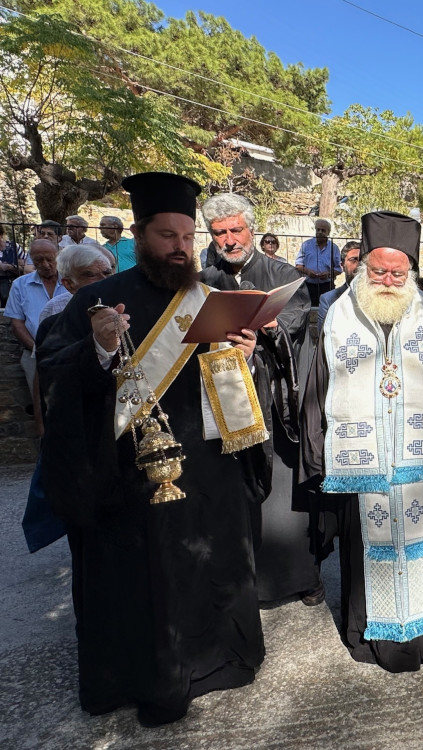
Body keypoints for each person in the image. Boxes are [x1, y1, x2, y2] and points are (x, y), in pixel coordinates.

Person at [36, 172, 269, 726]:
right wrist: (98, 346)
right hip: (127, 476)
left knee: (206, 565)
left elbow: (231, 387)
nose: (180, 248)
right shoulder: (96, 301)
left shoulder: (209, 297)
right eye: (167, 236)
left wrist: (245, 351)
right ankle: (140, 677)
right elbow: (54, 378)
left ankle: (216, 661)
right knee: (138, 582)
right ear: (138, 235)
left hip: (208, 468)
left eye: (188, 238)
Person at [297, 210, 423, 672]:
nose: (389, 280)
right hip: (365, 461)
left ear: (411, 272)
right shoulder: (337, 316)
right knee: (369, 551)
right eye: (379, 270)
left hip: (422, 458)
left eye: (399, 273)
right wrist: (317, 455)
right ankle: (373, 642)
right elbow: (317, 387)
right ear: (362, 267)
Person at [199, 192, 321, 606]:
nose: (229, 240)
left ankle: (298, 579)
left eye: (236, 230)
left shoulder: (282, 274)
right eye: (220, 233)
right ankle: (243, 579)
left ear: (250, 228)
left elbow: (296, 322)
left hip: (274, 401)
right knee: (231, 494)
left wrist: (268, 333)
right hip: (221, 402)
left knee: (283, 498)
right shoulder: (203, 278)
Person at [23, 244, 113, 554]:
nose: (101, 281)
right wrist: (40, 419)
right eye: (89, 275)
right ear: (68, 282)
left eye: (107, 273)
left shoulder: (125, 311)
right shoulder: (53, 318)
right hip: (80, 432)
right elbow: (48, 373)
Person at [4, 239, 69, 387]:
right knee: (39, 401)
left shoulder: (71, 281)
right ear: (31, 259)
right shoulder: (20, 285)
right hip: (34, 355)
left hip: (70, 353)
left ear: (58, 255)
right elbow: (17, 323)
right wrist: (37, 349)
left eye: (50, 259)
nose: (45, 265)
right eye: (39, 260)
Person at [295, 218, 341, 305]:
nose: (320, 232)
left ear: (328, 232)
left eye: (323, 230)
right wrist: (308, 272)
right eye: (318, 229)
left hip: (327, 286)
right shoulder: (306, 245)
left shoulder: (333, 248)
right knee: (308, 310)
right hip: (308, 286)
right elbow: (298, 265)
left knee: (327, 309)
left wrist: (328, 274)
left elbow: (339, 269)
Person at [317, 240, 361, 330]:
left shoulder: (376, 297)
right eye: (353, 260)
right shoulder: (328, 300)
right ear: (342, 265)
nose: (359, 265)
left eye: (362, 260)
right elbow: (323, 337)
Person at [0, 223, 23, 306]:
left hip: (12, 283)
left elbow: (24, 268)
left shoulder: (14, 247)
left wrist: (10, 267)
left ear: (1, 234)